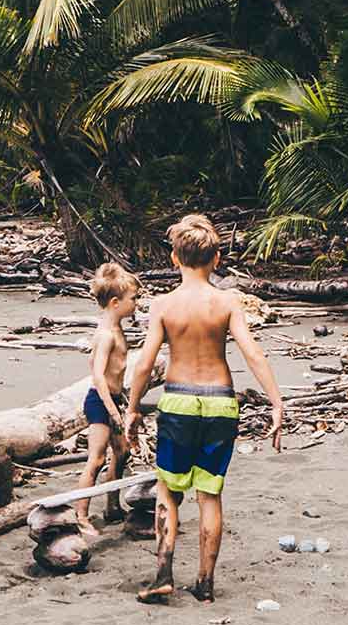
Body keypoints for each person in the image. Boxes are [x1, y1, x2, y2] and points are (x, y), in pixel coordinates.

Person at [122, 213, 284, 604]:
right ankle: (205, 583)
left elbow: (144, 362)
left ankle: (163, 574)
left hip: (178, 399)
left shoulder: (163, 304)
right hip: (220, 404)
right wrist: (277, 401)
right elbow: (252, 353)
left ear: (174, 259)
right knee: (210, 495)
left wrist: (132, 407)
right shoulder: (227, 302)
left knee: (168, 489)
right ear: (216, 259)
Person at [72, 261, 137, 537]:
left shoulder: (118, 330)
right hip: (100, 403)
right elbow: (98, 375)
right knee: (96, 460)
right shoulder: (107, 335)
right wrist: (112, 411)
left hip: (114, 399)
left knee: (123, 452)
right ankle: (81, 515)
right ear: (115, 302)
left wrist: (122, 401)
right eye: (133, 299)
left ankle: (112, 504)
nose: (136, 304)